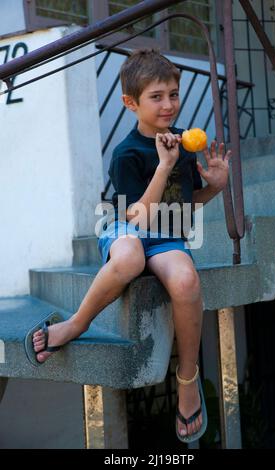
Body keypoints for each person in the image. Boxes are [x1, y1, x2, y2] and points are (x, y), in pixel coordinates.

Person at [30, 48, 231, 442]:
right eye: (157, 97)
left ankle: (187, 378)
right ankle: (76, 323)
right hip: (126, 225)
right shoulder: (127, 154)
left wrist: (215, 188)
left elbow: (181, 205)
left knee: (187, 282)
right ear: (131, 103)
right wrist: (163, 166)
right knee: (128, 256)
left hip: (167, 235)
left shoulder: (181, 144)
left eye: (173, 93)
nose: (169, 104)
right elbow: (137, 218)